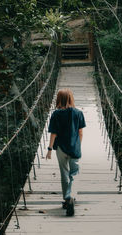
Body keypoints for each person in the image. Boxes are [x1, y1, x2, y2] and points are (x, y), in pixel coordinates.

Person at [46, 88, 86, 216]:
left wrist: (49, 149)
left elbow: (54, 133)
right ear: (71, 98)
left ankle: (66, 199)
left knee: (64, 173)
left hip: (61, 148)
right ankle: (72, 196)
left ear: (58, 99)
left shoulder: (56, 114)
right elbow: (80, 132)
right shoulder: (78, 113)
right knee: (75, 173)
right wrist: (78, 145)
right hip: (74, 148)